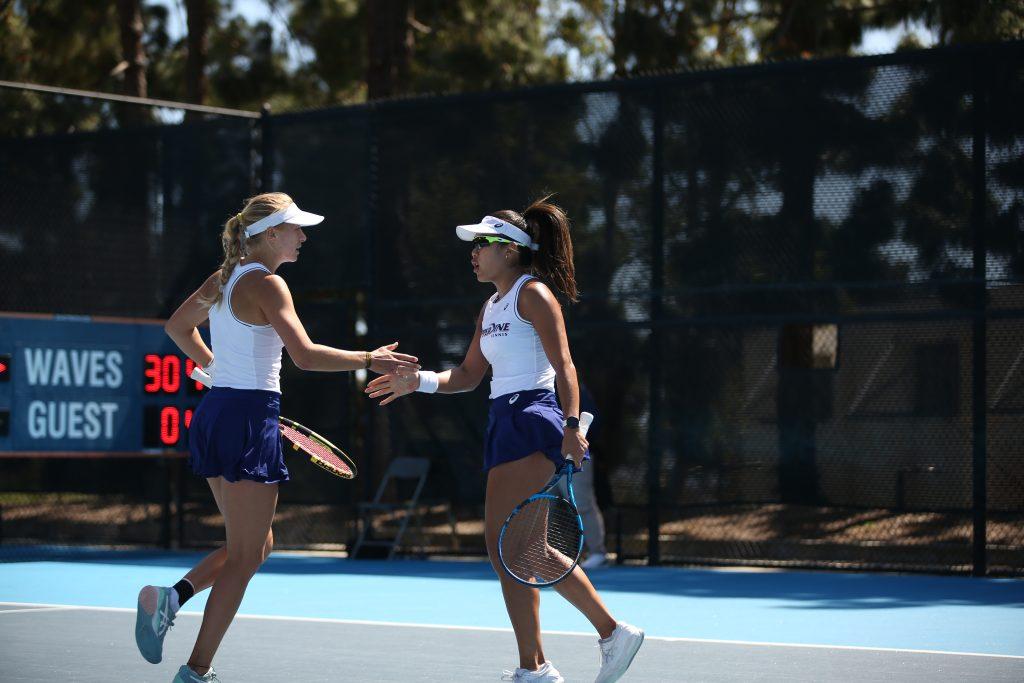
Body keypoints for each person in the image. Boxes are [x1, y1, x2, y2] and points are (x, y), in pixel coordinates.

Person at [134, 192, 419, 683]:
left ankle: (171, 598)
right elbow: (305, 356)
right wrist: (369, 358)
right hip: (248, 416)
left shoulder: (222, 278)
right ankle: (196, 670)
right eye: (295, 229)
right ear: (270, 235)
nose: (303, 237)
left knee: (256, 543)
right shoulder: (268, 285)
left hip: (217, 414)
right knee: (245, 556)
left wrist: (212, 367)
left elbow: (178, 327)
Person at [366, 199, 643, 683]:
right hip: (503, 420)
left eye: (482, 244)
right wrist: (420, 381)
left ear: (511, 251)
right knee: (521, 552)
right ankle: (586, 644)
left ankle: (546, 661)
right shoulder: (491, 306)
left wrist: (574, 426)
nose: (473, 252)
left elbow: (565, 367)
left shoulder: (533, 294)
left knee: (507, 550)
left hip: (533, 419)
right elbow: (469, 375)